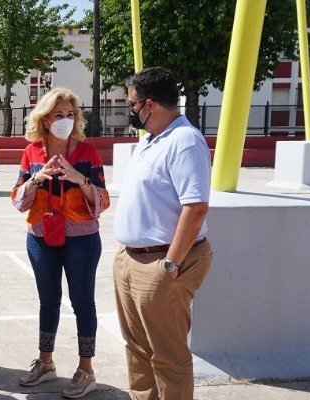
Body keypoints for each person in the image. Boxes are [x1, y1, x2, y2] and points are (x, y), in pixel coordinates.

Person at [112, 67, 213, 400]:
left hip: (161, 262)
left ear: (149, 104)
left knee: (168, 356)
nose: (131, 110)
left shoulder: (185, 141)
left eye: (132, 104)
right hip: (132, 258)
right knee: (137, 348)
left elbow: (196, 207)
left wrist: (170, 265)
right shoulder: (152, 140)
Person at [10, 88, 110, 397]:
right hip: (41, 237)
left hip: (82, 239)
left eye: (70, 115)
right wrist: (37, 179)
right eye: (58, 115)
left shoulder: (87, 153)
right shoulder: (32, 153)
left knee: (83, 304)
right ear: (44, 119)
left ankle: (86, 370)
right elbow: (17, 199)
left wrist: (79, 179)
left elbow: (103, 200)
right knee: (48, 301)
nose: (65, 120)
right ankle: (46, 363)